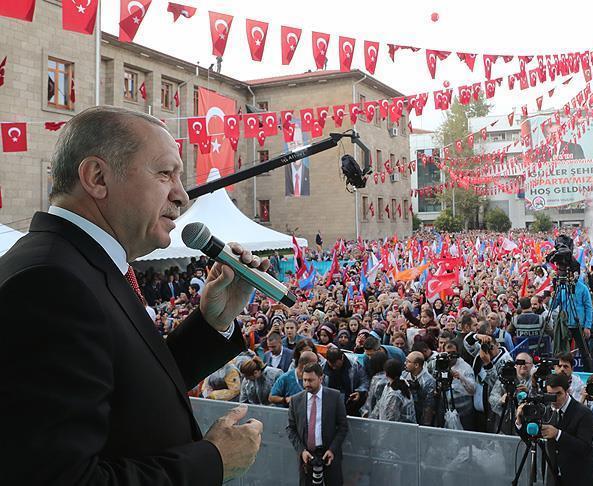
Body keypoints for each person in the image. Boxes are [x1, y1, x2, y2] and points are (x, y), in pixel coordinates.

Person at [0, 106, 265, 484]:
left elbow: (128, 390)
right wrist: (212, 462)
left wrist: (212, 322)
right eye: (165, 173)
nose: (182, 196)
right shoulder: (50, 283)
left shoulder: (79, 265)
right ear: (97, 177)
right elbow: (60, 478)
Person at [516, 373, 593, 486]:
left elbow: (585, 448)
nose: (554, 399)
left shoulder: (584, 413)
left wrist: (558, 434)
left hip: (580, 478)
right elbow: (530, 439)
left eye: (558, 394)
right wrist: (519, 421)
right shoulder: (546, 411)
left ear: (567, 391)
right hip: (554, 477)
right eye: (550, 395)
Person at [286, 363, 349, 486]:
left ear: (321, 378)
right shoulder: (296, 400)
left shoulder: (334, 397)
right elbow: (290, 428)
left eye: (310, 380)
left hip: (329, 454)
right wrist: (302, 451)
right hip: (307, 456)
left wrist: (332, 449)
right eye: (304, 380)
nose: (307, 384)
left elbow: (343, 426)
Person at [323, 347, 369, 417]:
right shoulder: (323, 368)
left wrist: (359, 392)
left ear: (342, 358)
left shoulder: (355, 364)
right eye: (331, 366)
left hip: (351, 403)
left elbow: (364, 380)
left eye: (336, 365)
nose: (334, 368)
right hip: (330, 404)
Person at [369, 359, 417, 423]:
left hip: (399, 428)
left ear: (386, 373)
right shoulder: (396, 385)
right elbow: (380, 405)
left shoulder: (394, 394)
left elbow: (391, 419)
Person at [402, 350, 436, 426]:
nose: (405, 363)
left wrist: (425, 426)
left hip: (419, 417)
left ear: (416, 365)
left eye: (408, 362)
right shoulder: (404, 375)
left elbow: (428, 407)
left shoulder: (428, 381)